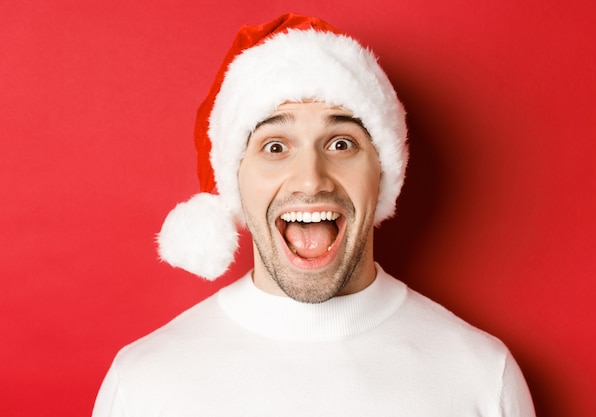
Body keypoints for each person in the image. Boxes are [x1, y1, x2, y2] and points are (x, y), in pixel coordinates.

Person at [93, 13, 536, 416]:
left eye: (341, 144)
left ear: (382, 173)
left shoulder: (480, 377)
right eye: (275, 147)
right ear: (235, 181)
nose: (310, 180)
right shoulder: (144, 384)